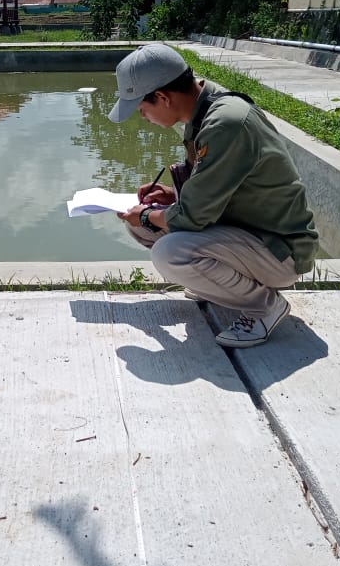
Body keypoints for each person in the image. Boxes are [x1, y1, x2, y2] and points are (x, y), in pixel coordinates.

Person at [109, 43, 319, 348]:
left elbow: (193, 217)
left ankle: (265, 305)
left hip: (280, 250)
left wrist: (144, 213)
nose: (142, 116)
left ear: (163, 98)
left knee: (169, 251)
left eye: (141, 108)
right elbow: (216, 187)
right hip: (250, 235)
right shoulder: (205, 108)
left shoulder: (225, 123)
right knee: (143, 224)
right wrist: (169, 196)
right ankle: (217, 284)